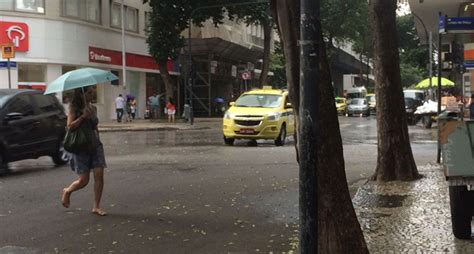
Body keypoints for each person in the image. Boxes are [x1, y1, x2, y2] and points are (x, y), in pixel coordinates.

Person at [61, 87, 107, 216]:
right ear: (82, 94)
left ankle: (96, 206)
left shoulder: (93, 109)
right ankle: (68, 191)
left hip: (95, 146)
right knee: (84, 180)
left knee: (99, 176)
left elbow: (95, 127)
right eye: (89, 93)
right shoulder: (74, 108)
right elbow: (70, 126)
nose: (92, 95)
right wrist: (82, 117)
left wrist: (98, 140)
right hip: (80, 147)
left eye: (93, 93)